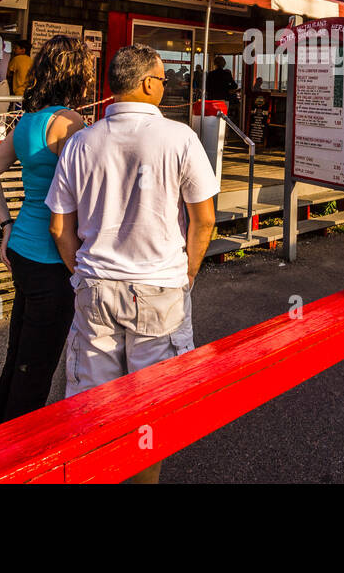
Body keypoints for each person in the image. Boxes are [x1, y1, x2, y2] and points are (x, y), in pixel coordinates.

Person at [47, 44, 217, 484]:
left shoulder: (82, 141)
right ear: (146, 84)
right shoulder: (180, 138)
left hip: (95, 286)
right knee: (152, 409)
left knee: (93, 405)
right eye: (164, 79)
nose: (166, 87)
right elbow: (204, 219)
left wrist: (80, 274)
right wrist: (187, 274)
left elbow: (59, 228)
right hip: (160, 287)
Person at [0, 35, 96, 424]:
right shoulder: (70, 122)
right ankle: (14, 455)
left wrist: (6, 224)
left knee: (19, 358)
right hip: (54, 254)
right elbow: (86, 191)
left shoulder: (28, 120)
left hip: (24, 248)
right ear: (77, 74)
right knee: (37, 366)